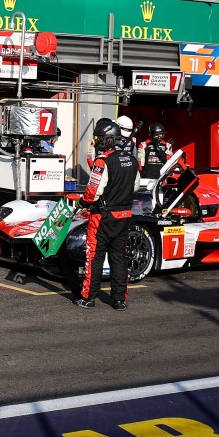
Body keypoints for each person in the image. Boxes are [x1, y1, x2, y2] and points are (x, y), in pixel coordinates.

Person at [75, 118, 138, 310]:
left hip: (102, 216)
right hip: (125, 215)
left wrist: (81, 203)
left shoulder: (102, 161)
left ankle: (88, 297)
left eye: (99, 138)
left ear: (108, 139)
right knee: (119, 257)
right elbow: (135, 186)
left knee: (94, 256)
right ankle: (119, 300)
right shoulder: (132, 160)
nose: (97, 141)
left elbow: (93, 192)